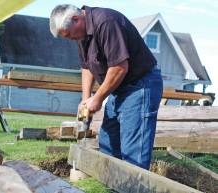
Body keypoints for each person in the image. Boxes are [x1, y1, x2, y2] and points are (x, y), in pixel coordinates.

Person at [49, 4, 163, 170]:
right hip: (119, 88)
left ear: (76, 19)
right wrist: (86, 98)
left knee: (133, 153)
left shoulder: (106, 23)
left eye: (70, 36)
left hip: (139, 85)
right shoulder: (82, 33)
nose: (71, 40)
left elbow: (119, 67)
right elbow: (87, 66)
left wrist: (98, 98)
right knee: (108, 145)